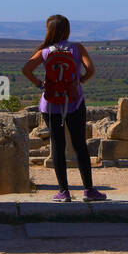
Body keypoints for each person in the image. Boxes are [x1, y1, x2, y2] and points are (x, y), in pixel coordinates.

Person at [22, 15, 107, 203]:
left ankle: (63, 192)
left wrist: (40, 84)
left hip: (51, 104)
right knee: (80, 146)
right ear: (67, 30)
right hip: (74, 101)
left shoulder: (44, 51)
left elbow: (26, 69)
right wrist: (80, 81)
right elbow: (91, 69)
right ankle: (89, 190)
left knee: (57, 146)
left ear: (49, 30)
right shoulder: (77, 48)